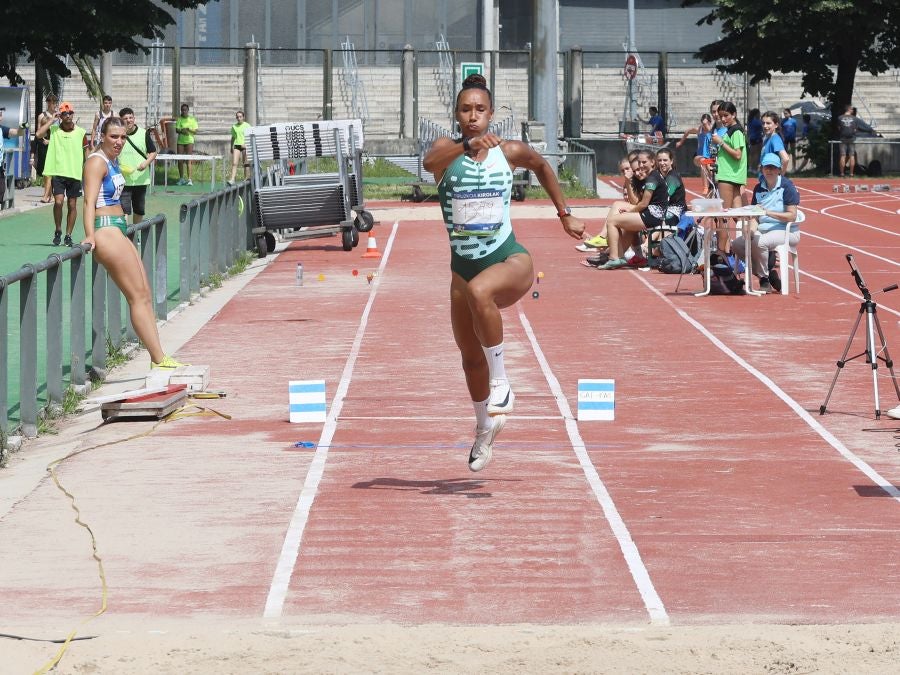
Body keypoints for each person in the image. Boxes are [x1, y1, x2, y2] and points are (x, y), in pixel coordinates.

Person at [422, 73, 585, 472]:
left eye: (480, 110)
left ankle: (503, 384)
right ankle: (484, 430)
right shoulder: (447, 151)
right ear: (457, 115)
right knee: (468, 359)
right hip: (461, 270)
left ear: (491, 113)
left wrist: (564, 214)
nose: (473, 116)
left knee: (482, 292)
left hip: (509, 259)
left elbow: (543, 166)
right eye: (466, 110)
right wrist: (466, 145)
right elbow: (429, 163)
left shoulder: (508, 151)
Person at [82, 117, 187, 371]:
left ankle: (159, 357)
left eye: (122, 137)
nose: (119, 142)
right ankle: (159, 359)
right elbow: (89, 201)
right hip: (106, 230)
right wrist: (89, 235)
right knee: (137, 298)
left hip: (118, 228)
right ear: (102, 137)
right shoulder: (96, 162)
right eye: (113, 137)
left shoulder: (112, 160)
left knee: (144, 295)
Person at [731, 153, 800, 294]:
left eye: (773, 167)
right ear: (761, 169)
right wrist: (750, 230)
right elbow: (755, 216)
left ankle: (764, 279)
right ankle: (768, 273)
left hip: (786, 230)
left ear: (779, 170)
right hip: (763, 229)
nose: (769, 170)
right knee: (737, 244)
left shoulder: (787, 187)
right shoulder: (758, 188)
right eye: (766, 167)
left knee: (759, 242)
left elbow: (792, 216)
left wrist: (768, 213)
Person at [596, 150, 668, 270]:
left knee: (612, 221)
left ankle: (614, 258)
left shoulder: (652, 178)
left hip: (652, 216)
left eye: (644, 162)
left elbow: (643, 203)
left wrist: (629, 213)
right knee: (622, 214)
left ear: (652, 162)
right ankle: (617, 254)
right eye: (639, 162)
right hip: (651, 214)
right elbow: (638, 202)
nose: (640, 165)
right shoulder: (650, 177)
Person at [35, 101, 88, 246]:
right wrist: (52, 119)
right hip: (58, 173)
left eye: (70, 113)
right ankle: (58, 230)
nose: (68, 116)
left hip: (74, 174)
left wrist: (88, 170)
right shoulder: (53, 130)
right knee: (58, 202)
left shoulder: (81, 133)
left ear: (73, 114)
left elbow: (87, 153)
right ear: (61, 116)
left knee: (72, 205)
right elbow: (39, 134)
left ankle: (68, 235)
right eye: (64, 113)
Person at [710, 101, 747, 254]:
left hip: (728, 177)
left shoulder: (735, 131)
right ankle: (749, 243)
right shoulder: (730, 130)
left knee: (722, 216)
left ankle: (721, 253)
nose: (723, 119)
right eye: (720, 116)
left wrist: (721, 143)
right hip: (732, 175)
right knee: (739, 215)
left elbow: (737, 154)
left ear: (734, 115)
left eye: (726, 116)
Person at [117, 107, 158, 225]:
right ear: (121, 120)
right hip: (123, 179)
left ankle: (136, 233)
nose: (129, 120)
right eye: (125, 118)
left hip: (141, 179)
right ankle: (124, 234)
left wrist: (145, 163)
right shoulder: (118, 134)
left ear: (134, 119)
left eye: (131, 118)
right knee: (123, 210)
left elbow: (153, 152)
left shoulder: (143, 133)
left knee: (139, 210)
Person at [34, 94, 59, 203]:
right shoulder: (42, 116)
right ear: (48, 103)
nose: (53, 104)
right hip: (44, 144)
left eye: (54, 102)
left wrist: (52, 141)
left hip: (55, 144)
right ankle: (48, 193)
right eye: (50, 102)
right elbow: (39, 132)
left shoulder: (59, 116)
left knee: (53, 171)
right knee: (46, 171)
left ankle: (50, 194)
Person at [760, 110, 791, 175]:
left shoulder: (775, 139)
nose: (765, 126)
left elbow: (785, 159)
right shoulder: (767, 139)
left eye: (768, 123)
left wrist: (780, 177)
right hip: (766, 180)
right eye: (763, 123)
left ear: (776, 125)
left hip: (771, 181)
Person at [175, 103, 199, 186]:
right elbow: (177, 130)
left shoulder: (192, 119)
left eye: (185, 110)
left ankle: (189, 179)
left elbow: (195, 131)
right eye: (182, 110)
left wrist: (188, 130)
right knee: (180, 160)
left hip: (189, 141)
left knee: (189, 160)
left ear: (188, 110)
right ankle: (181, 178)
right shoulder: (179, 119)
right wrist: (182, 131)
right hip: (180, 141)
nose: (184, 111)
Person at [228, 110, 252, 184]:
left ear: (243, 117)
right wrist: (231, 146)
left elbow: (251, 136)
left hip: (245, 145)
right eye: (237, 117)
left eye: (240, 117)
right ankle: (232, 179)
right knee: (234, 163)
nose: (239, 118)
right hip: (237, 145)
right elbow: (233, 137)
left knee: (245, 163)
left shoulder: (247, 125)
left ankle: (247, 178)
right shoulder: (234, 126)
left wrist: (246, 144)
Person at [837, 104, 858, 178]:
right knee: (851, 155)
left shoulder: (839, 118)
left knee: (843, 155)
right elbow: (855, 129)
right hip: (851, 138)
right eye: (852, 109)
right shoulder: (854, 118)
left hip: (842, 138)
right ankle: (851, 173)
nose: (853, 110)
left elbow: (839, 128)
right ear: (849, 109)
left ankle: (842, 173)